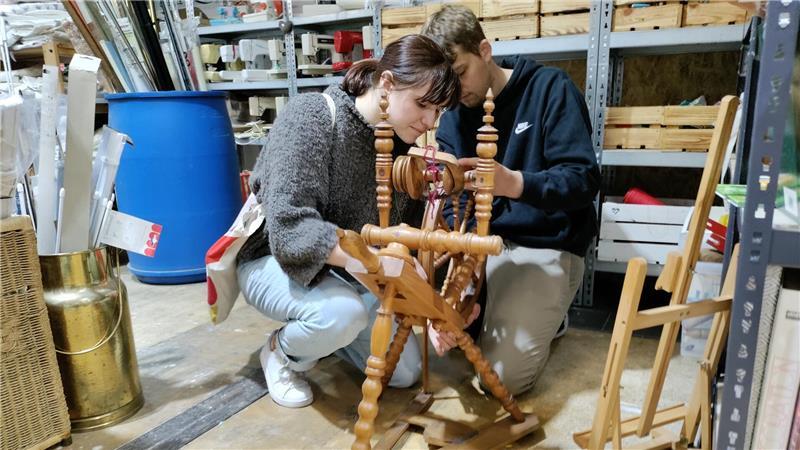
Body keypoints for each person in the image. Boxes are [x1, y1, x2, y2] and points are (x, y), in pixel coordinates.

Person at [235, 34, 461, 408]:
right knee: (341, 314)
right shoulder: (313, 116)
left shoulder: (400, 149)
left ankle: (331, 335)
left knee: (402, 373)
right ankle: (282, 352)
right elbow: (291, 230)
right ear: (387, 83)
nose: (429, 121)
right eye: (423, 105)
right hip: (272, 259)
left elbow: (406, 238)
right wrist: (374, 261)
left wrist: (430, 307)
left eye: (438, 112)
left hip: (346, 271)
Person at [421, 6, 601, 396]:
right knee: (436, 330)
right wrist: (468, 263)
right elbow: (453, 200)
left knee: (499, 380)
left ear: (485, 50)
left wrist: (515, 183)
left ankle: (552, 317)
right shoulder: (454, 113)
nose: (454, 91)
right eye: (444, 83)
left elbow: (584, 180)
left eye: (460, 74)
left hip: (545, 243)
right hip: (484, 245)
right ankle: (496, 308)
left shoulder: (550, 89)